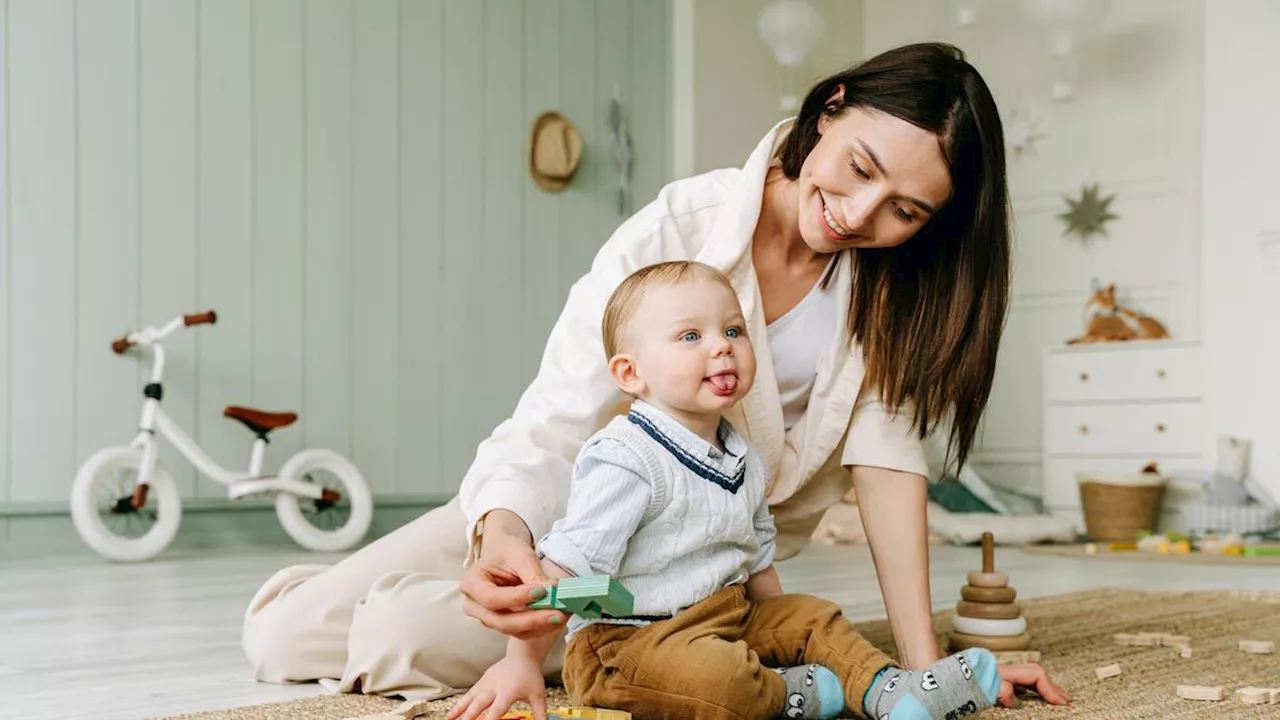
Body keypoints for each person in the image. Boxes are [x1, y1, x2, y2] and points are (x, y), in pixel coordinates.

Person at [242, 41, 1064, 706]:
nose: (858, 213)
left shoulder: (892, 295)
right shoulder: (680, 226)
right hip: (568, 508)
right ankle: (430, 589)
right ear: (832, 106)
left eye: (904, 211)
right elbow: (555, 418)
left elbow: (887, 470)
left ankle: (642, 645)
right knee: (279, 636)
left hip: (685, 574)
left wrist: (924, 672)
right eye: (859, 167)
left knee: (397, 637)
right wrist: (501, 536)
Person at [446, 260, 1062, 720]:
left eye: (734, 331)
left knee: (815, 616)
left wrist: (785, 630)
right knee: (721, 682)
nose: (721, 346)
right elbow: (568, 575)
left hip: (722, 615)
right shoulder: (625, 458)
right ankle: (794, 695)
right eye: (691, 336)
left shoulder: (741, 454)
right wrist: (521, 661)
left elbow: (755, 560)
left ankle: (889, 691)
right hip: (627, 642)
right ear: (631, 374)